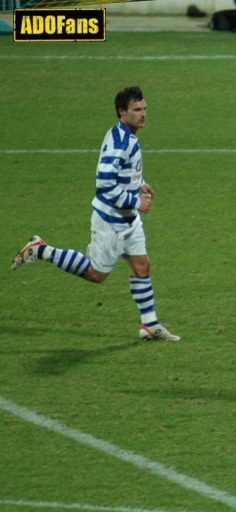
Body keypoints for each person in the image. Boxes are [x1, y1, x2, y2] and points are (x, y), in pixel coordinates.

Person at [11, 86, 180, 342]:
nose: (143, 114)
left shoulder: (128, 135)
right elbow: (104, 184)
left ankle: (149, 324)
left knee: (142, 265)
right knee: (96, 274)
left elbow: (122, 171)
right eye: (137, 110)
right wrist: (136, 200)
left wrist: (138, 181)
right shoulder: (119, 141)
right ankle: (42, 249)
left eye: (144, 108)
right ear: (122, 112)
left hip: (128, 219)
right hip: (111, 220)